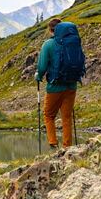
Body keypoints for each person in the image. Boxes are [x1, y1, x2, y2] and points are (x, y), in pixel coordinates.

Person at [35, 18, 77, 148]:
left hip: (55, 87)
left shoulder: (48, 44)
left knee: (48, 115)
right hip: (71, 85)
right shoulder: (72, 43)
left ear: (50, 30)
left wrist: (38, 76)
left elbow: (41, 67)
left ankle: (53, 143)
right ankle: (67, 147)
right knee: (66, 117)